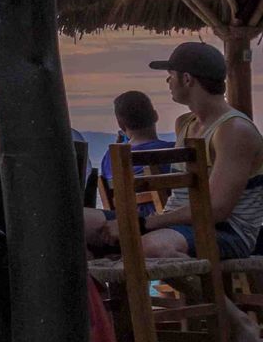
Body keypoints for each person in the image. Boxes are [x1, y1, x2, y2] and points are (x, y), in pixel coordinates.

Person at [84, 43, 263, 261]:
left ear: (187, 79)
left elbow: (216, 210)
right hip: (173, 223)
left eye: (171, 75)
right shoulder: (185, 124)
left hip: (226, 232)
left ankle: (215, 296)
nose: (167, 81)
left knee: (150, 248)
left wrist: (138, 223)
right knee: (78, 223)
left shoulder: (234, 131)